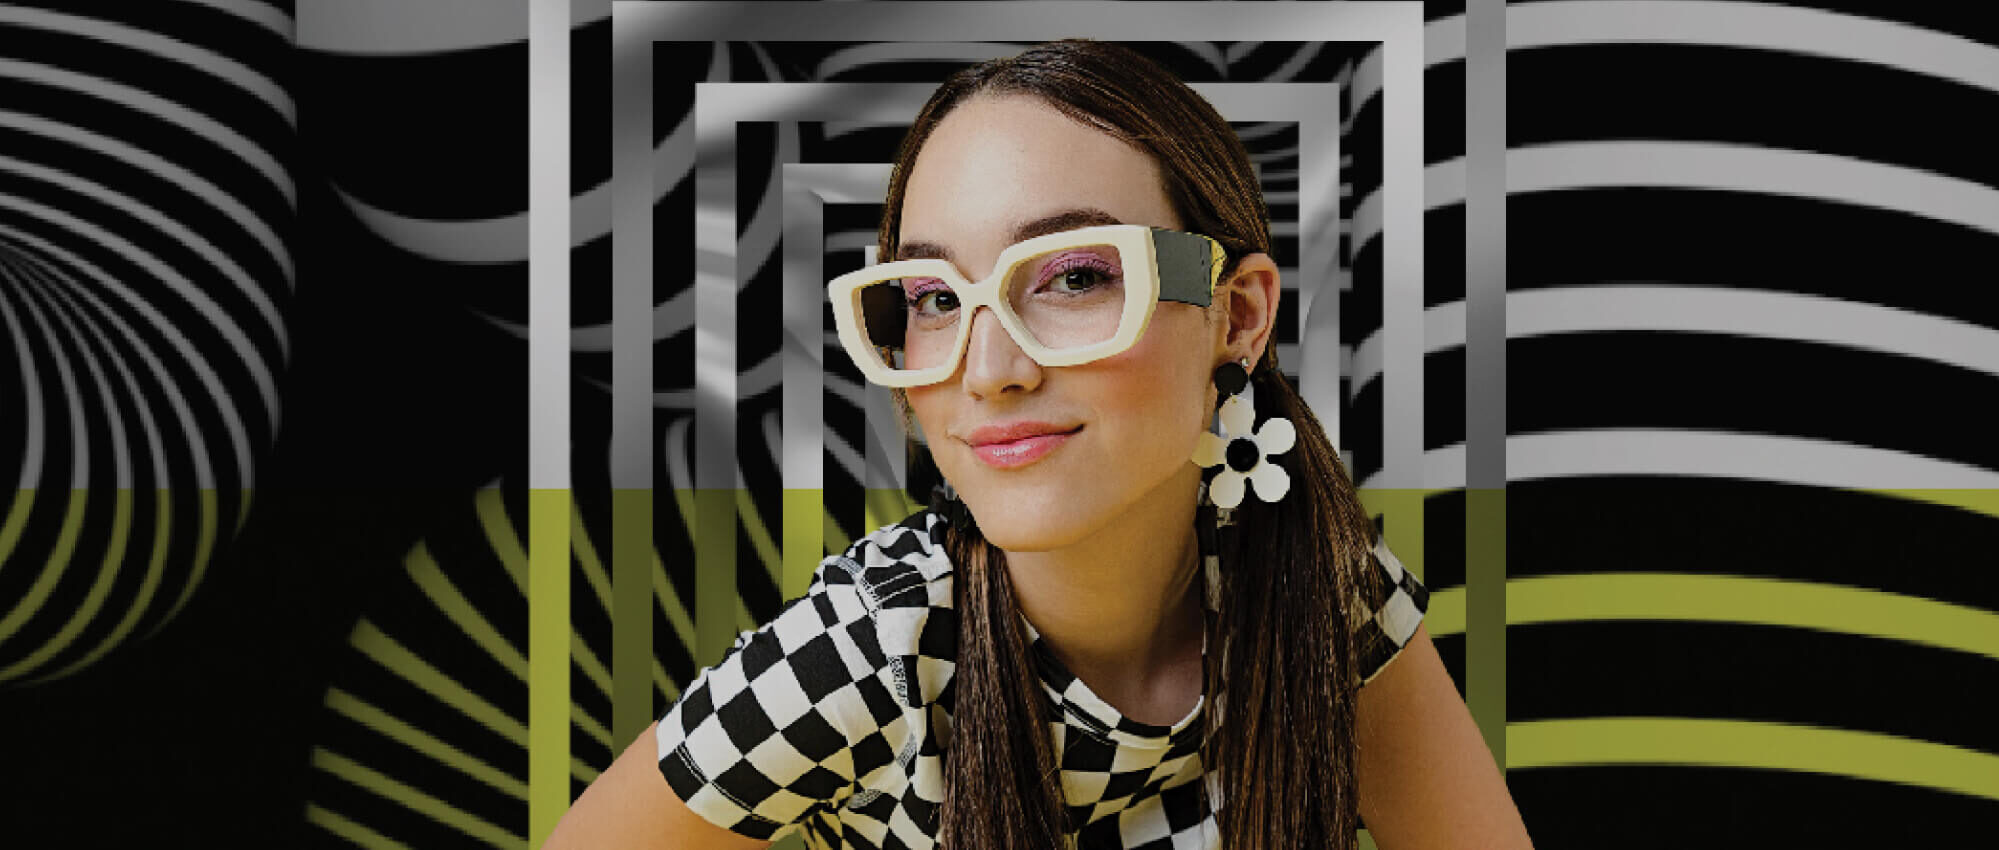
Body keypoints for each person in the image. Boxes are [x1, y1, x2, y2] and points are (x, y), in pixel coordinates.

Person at [549, 39, 1533, 849]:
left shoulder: (1320, 585)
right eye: (934, 298)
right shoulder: (865, 653)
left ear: (1235, 315)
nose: (988, 370)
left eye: (1070, 277)